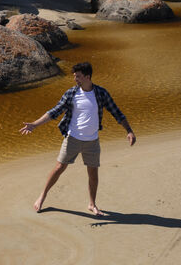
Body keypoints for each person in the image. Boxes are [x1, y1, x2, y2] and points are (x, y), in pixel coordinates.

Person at [19, 61, 135, 215]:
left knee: (93, 173)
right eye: (75, 76)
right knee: (59, 168)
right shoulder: (71, 94)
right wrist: (35, 124)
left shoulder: (101, 93)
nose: (75, 79)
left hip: (92, 141)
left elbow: (117, 112)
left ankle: (92, 204)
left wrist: (129, 130)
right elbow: (54, 111)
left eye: (78, 76)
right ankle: (42, 196)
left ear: (87, 77)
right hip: (72, 138)